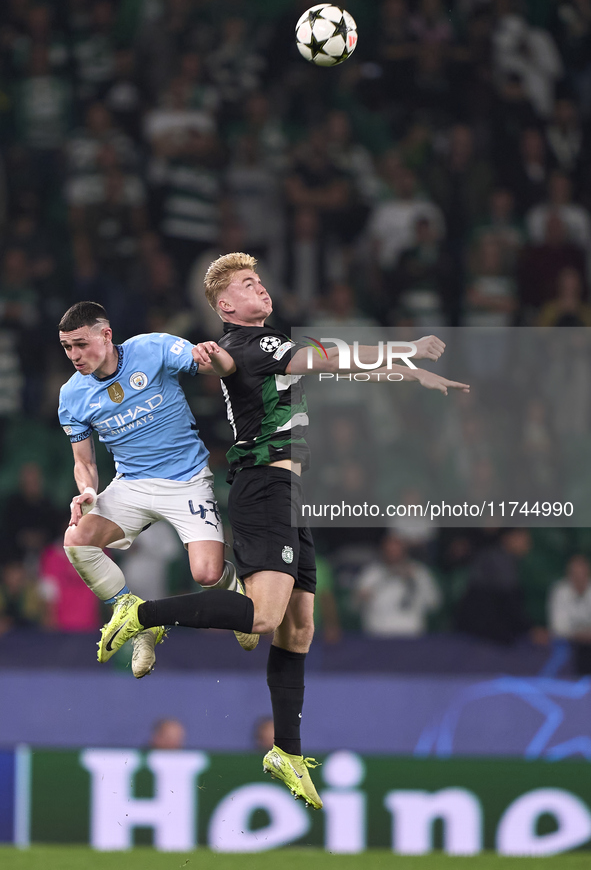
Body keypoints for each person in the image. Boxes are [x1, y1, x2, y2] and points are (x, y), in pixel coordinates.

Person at [97, 253, 469, 809]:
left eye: (261, 280)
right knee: (265, 616)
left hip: (290, 495)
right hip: (264, 490)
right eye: (248, 284)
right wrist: (408, 352)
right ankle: (140, 613)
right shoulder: (254, 344)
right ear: (226, 306)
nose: (262, 289)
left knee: (299, 627)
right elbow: (328, 360)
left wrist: (409, 373)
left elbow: (287, 365)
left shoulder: (255, 348)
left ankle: (287, 752)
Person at [57, 301, 252, 680]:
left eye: (81, 344)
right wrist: (85, 491)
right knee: (76, 539)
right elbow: (85, 462)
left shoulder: (154, 348)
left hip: (186, 478)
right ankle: (136, 618)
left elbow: (214, 367)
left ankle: (236, 596)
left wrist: (211, 357)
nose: (74, 355)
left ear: (106, 335)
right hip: (131, 484)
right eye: (67, 347)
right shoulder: (72, 395)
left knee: (207, 574)